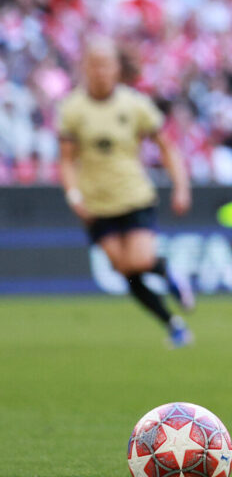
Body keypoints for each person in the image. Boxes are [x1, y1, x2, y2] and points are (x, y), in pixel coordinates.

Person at [57, 38, 195, 346]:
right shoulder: (72, 109)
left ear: (116, 68)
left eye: (106, 65)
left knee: (139, 261)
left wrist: (181, 187)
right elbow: (66, 160)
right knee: (124, 270)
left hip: (134, 196)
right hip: (96, 203)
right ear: (85, 67)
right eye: (94, 64)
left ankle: (167, 271)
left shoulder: (134, 105)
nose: (100, 71)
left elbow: (167, 148)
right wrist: (74, 196)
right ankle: (173, 325)